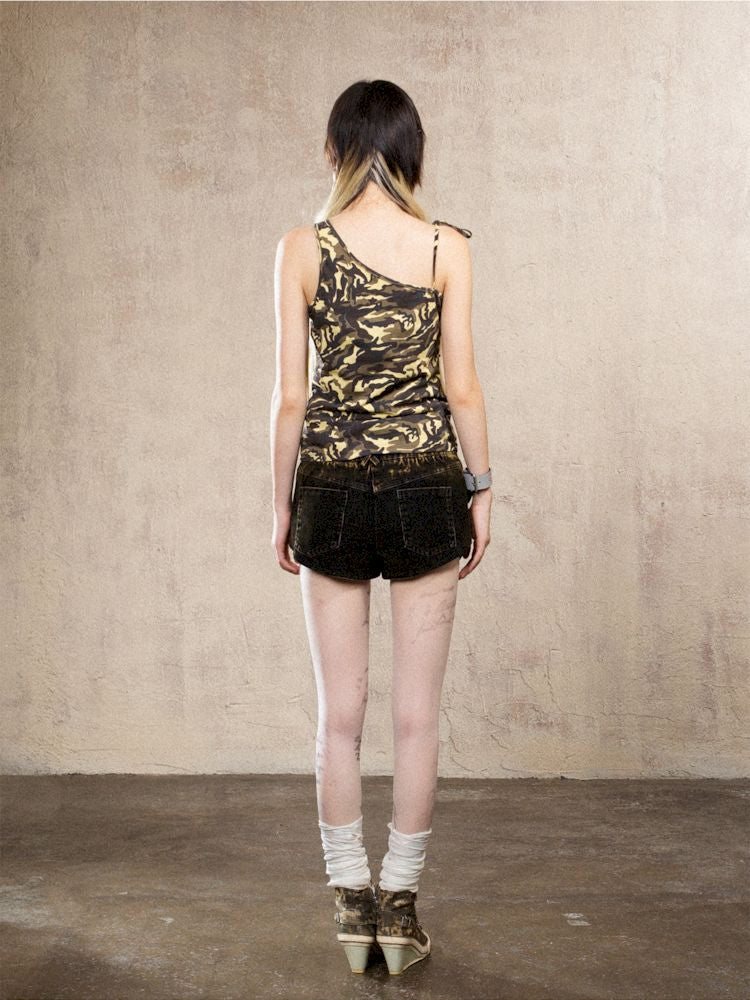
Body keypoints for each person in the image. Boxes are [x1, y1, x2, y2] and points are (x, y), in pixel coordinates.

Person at [270, 79, 492, 976]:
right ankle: (399, 913)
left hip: (329, 487)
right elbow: (462, 386)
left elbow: (291, 398)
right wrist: (480, 487)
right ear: (410, 154)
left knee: (340, 717)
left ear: (335, 151)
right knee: (415, 718)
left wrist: (281, 505)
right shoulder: (445, 248)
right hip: (425, 485)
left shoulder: (301, 248)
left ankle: (349, 905)